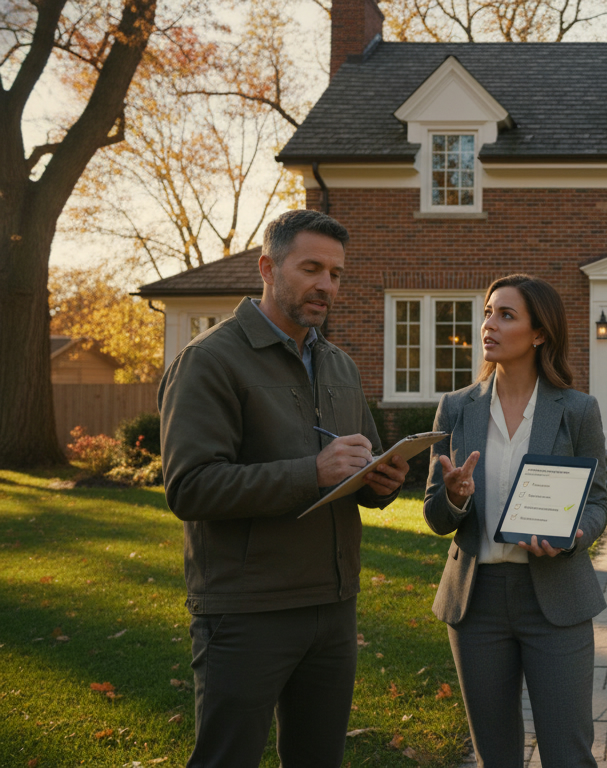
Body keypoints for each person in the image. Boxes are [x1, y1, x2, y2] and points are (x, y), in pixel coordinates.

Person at [158, 209, 409, 768]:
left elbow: (359, 464)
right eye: (311, 268)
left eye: (336, 274)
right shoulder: (208, 361)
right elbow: (190, 487)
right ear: (268, 268)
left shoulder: (340, 365)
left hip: (333, 604)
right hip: (248, 610)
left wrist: (382, 482)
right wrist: (311, 472)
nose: (327, 285)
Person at [423, 274, 607, 768]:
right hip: (476, 603)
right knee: (496, 756)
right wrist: (454, 497)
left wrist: (574, 536)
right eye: (488, 312)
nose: (489, 324)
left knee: (568, 755)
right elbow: (435, 515)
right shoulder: (456, 408)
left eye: (506, 315)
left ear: (539, 332)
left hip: (556, 599)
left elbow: (597, 503)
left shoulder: (577, 410)